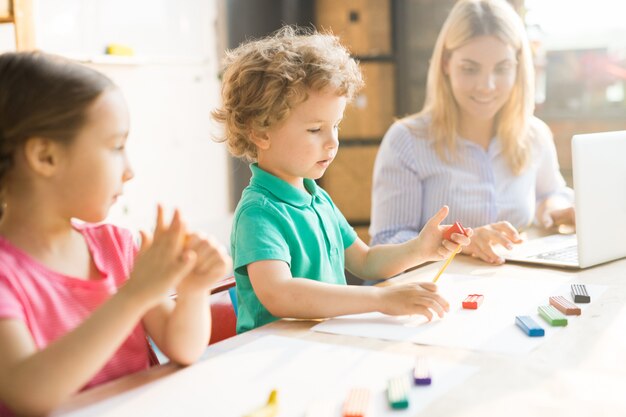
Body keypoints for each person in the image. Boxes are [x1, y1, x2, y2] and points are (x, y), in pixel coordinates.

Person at [0, 52, 231, 416]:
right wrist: (134, 295)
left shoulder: (114, 246)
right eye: (116, 147)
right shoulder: (6, 275)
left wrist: (193, 291)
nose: (130, 171)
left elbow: (183, 348)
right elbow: (29, 393)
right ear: (45, 157)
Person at [212, 27, 472, 334]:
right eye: (314, 129)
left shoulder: (316, 198)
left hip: (321, 344)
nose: (332, 142)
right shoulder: (258, 213)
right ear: (261, 132)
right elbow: (280, 294)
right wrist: (380, 298)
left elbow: (367, 262)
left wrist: (420, 249)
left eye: (335, 125)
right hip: (273, 355)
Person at [370, 0, 574, 265]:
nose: (486, 86)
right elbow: (385, 243)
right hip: (437, 297)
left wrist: (555, 209)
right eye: (470, 68)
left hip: (514, 286)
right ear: (445, 64)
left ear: (518, 67)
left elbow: (550, 193)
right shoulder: (406, 141)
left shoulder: (534, 134)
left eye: (501, 68)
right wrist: (461, 241)